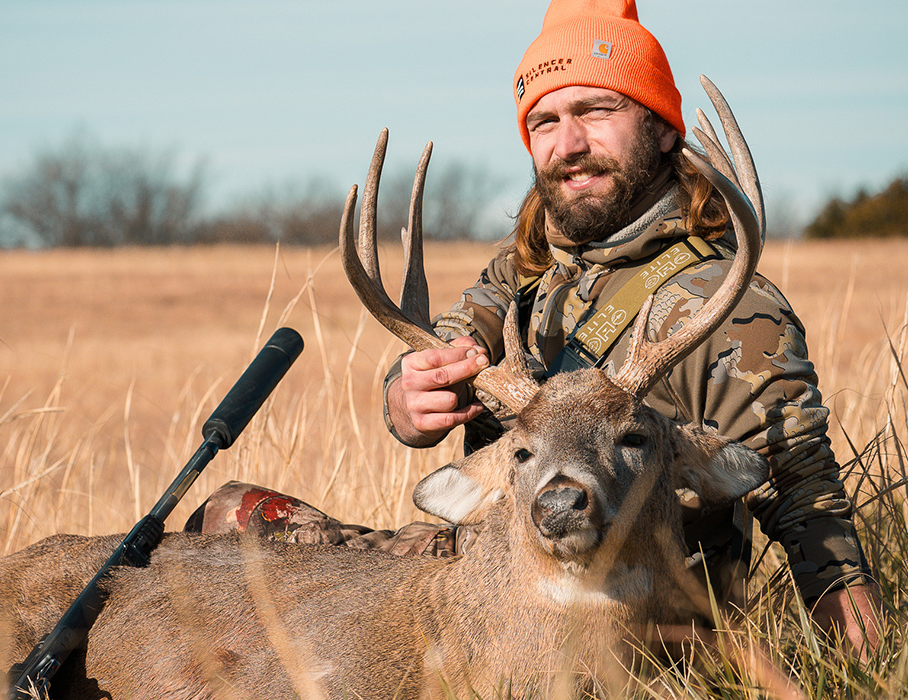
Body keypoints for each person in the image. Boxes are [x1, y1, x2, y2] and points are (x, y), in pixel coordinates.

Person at [188, 0, 880, 657]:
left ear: (664, 127)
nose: (568, 143)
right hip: (490, 587)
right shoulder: (523, 277)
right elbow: (448, 345)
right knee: (228, 521)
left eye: (597, 109)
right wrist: (408, 396)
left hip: (635, 619)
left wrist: (853, 641)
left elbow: (803, 488)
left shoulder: (721, 303)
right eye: (544, 122)